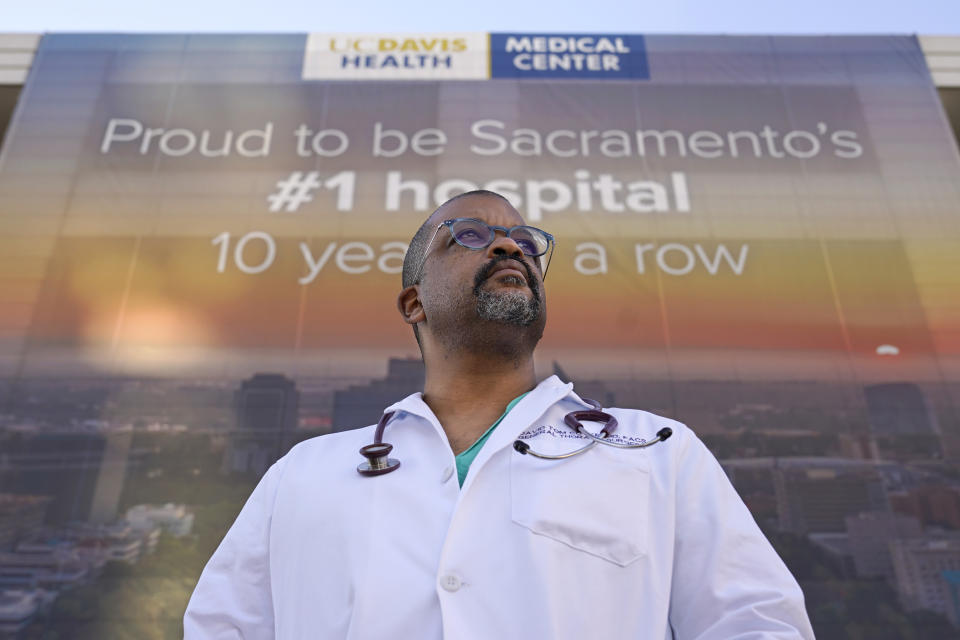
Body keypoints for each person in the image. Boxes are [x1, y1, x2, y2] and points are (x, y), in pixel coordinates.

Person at [184, 190, 815, 639]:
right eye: (469, 235)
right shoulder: (304, 472)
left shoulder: (657, 450)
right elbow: (222, 627)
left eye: (527, 241)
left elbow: (756, 625)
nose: (510, 244)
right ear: (413, 302)